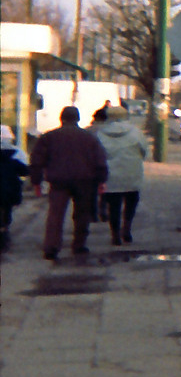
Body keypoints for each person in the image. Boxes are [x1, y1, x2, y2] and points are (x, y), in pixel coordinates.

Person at [29, 106, 109, 260]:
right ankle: (79, 244)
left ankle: (52, 246)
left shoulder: (49, 137)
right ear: (77, 119)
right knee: (82, 213)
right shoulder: (89, 138)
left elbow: (37, 160)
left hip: (58, 180)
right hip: (84, 180)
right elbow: (100, 160)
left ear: (61, 118)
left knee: (55, 214)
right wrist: (101, 180)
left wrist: (36, 181)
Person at [95, 104, 149, 246]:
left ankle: (115, 234)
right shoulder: (135, 132)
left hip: (111, 175)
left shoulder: (101, 133)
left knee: (114, 206)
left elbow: (98, 154)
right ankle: (127, 228)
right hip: (132, 172)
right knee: (131, 203)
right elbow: (144, 151)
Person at [1, 125, 30, 251]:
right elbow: (25, 171)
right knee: (6, 213)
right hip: (9, 191)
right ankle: (4, 234)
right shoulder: (17, 154)